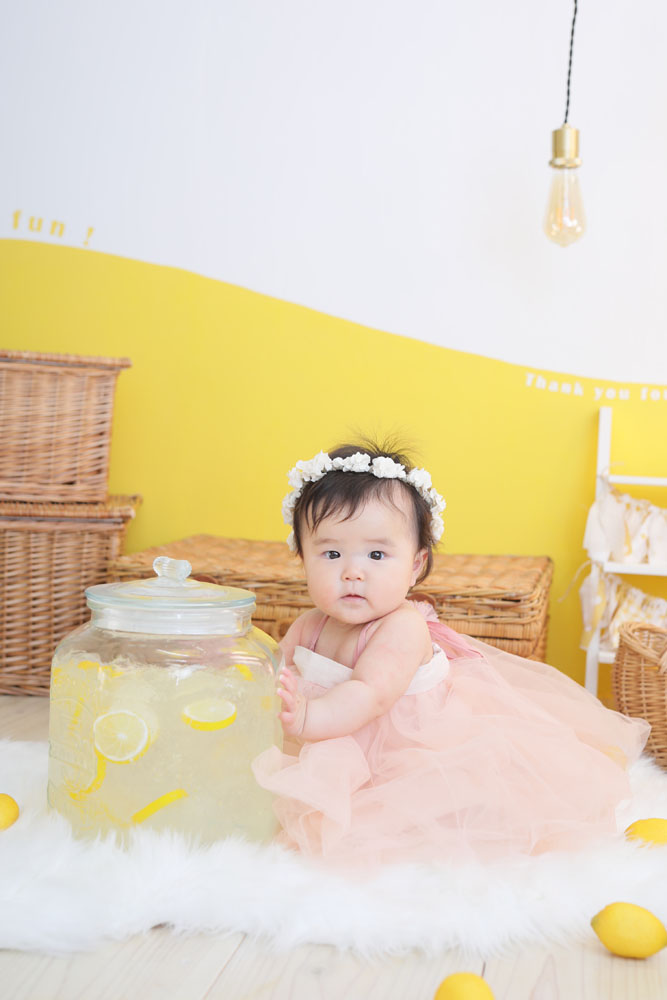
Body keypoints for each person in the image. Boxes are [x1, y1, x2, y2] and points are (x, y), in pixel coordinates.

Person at [252, 441, 650, 867]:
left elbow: (369, 694)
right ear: (302, 559)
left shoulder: (401, 627)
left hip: (407, 749)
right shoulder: (309, 625)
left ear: (415, 565)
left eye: (377, 554)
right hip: (330, 736)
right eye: (331, 553)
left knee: (443, 811)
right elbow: (274, 672)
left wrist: (307, 717)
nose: (353, 571)